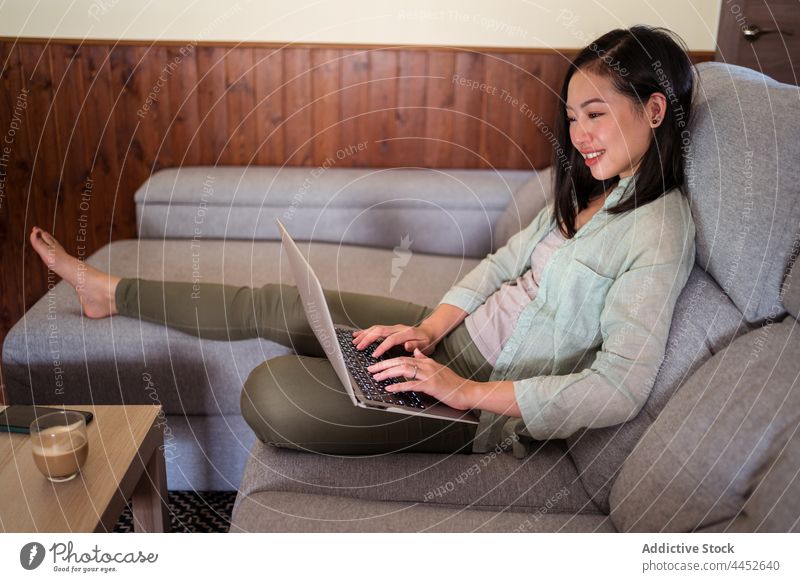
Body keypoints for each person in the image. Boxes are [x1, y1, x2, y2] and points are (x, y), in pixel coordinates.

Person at [30, 25, 696, 459]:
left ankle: (371, 386)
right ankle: (108, 293)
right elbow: (502, 264)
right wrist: (429, 331)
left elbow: (619, 388)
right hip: (450, 349)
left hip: (480, 395)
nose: (580, 136)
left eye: (597, 115)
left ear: (654, 110)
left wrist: (460, 391)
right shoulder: (589, 189)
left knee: (271, 393)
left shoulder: (660, 230)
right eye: (574, 118)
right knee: (283, 302)